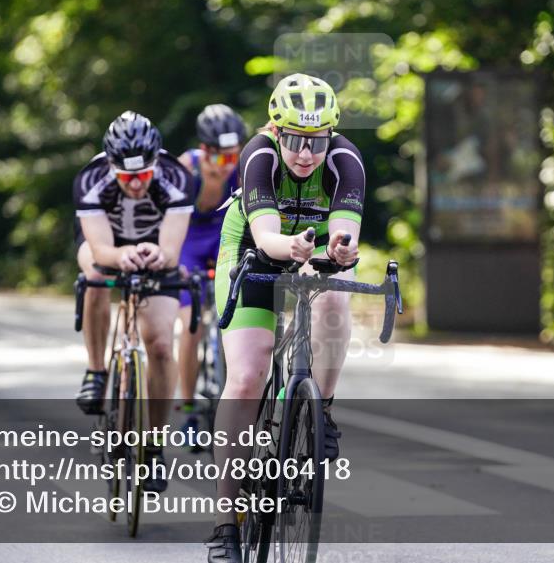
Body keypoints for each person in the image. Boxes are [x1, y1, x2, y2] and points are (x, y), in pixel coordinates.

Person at [204, 74, 364, 562]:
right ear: (277, 130)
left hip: (312, 252)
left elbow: (344, 230)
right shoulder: (259, 155)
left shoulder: (345, 160)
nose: (304, 154)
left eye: (315, 142)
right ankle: (226, 524)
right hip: (253, 250)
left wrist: (340, 249)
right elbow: (268, 234)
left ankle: (324, 411)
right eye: (294, 139)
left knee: (335, 302)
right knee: (248, 376)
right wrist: (288, 249)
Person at [72, 110, 194, 493]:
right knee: (93, 273)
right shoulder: (91, 179)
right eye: (127, 177)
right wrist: (118, 257)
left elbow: (172, 251)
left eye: (144, 174)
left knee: (159, 343)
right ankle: (96, 371)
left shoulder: (176, 177)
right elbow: (99, 247)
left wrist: (158, 256)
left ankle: (153, 447)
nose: (137, 184)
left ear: (156, 162)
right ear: (111, 167)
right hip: (109, 248)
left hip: (155, 249)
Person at [175, 104, 247, 443]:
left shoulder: (241, 165)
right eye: (220, 158)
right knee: (190, 323)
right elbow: (167, 220)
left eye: (232, 157)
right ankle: (188, 408)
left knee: (233, 311)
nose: (227, 165)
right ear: (204, 151)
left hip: (222, 237)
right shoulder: (185, 168)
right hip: (188, 239)